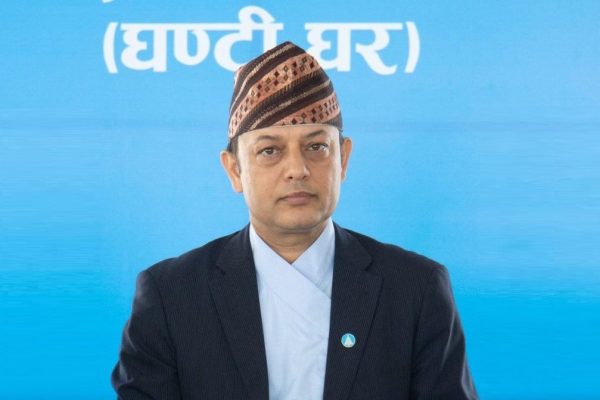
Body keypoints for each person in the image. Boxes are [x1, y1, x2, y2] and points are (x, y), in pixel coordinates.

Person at [111, 41, 479, 400]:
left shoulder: (415, 289)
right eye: (270, 150)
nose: (297, 169)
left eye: (316, 147)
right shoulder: (172, 296)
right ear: (234, 170)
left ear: (343, 159)